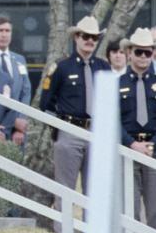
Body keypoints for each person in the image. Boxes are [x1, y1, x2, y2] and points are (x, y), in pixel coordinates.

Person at [39, 15, 111, 218]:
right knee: (65, 188)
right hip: (70, 131)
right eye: (85, 36)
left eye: (94, 37)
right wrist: (59, 128)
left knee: (95, 189)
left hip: (97, 132)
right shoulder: (62, 67)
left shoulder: (103, 68)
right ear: (76, 38)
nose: (90, 41)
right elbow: (46, 102)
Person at [119, 28, 156, 233]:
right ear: (129, 53)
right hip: (128, 149)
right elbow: (113, 121)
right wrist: (131, 144)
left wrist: (154, 143)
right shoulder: (118, 83)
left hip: (155, 150)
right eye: (139, 52)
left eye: (148, 52)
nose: (143, 57)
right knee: (130, 205)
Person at [0, 15, 31, 144]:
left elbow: (25, 92)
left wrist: (20, 127)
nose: (4, 35)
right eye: (0, 31)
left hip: (17, 133)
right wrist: (13, 122)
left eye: (7, 31)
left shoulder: (19, 60)